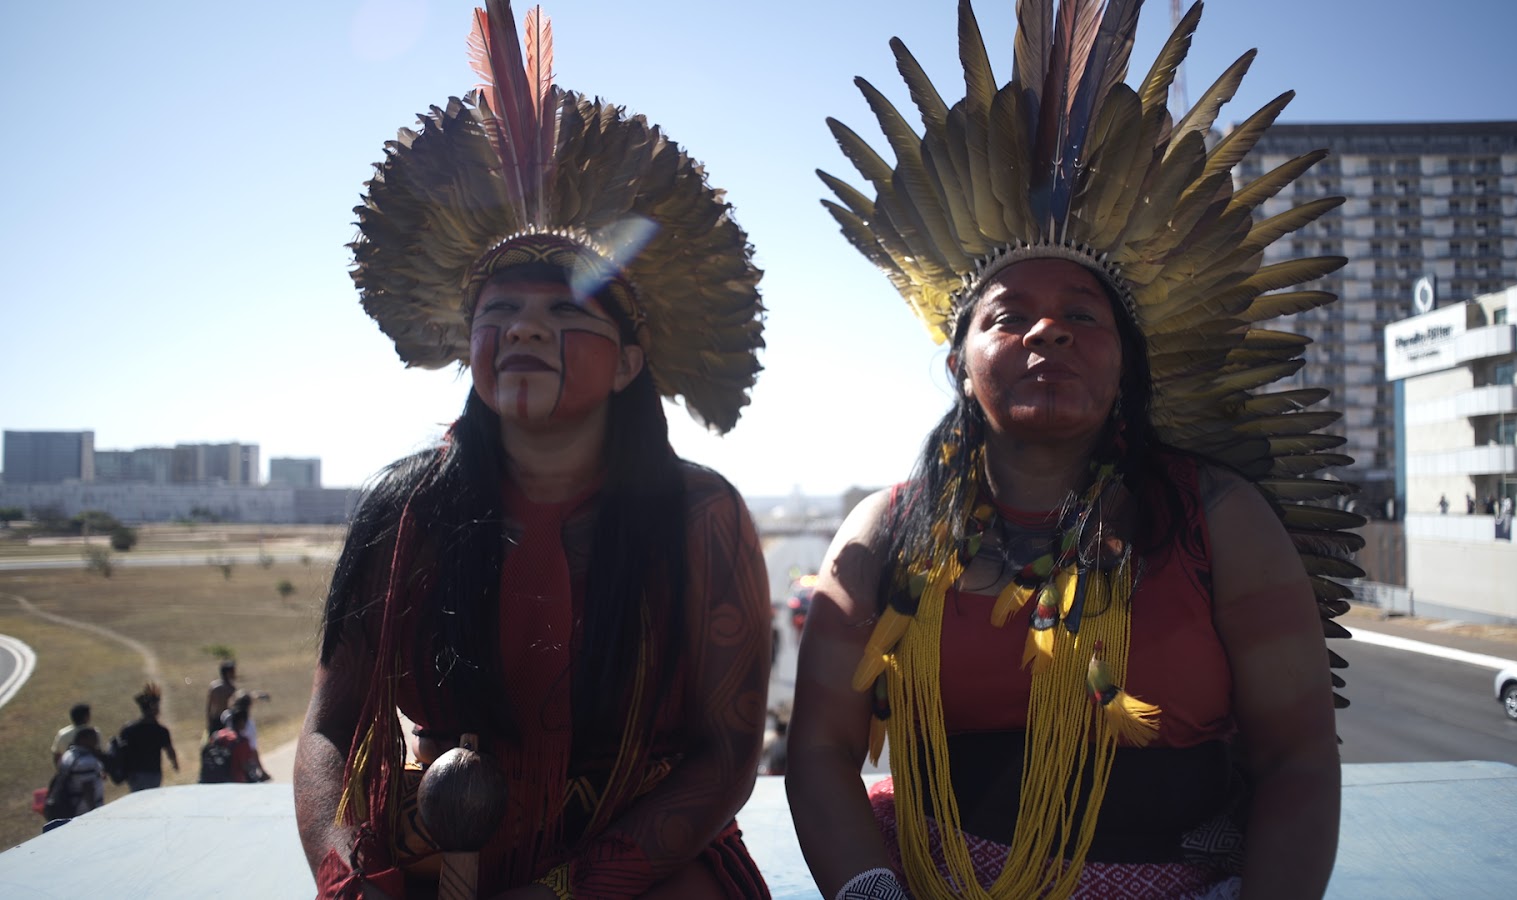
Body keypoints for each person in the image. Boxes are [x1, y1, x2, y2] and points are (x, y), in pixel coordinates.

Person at [788, 3, 1353, 898]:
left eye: (1083, 316)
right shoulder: (883, 531)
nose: (1048, 333)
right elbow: (819, 752)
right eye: (1008, 316)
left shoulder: (1218, 517)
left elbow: (1296, 758)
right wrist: (871, 891)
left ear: (1128, 363)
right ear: (957, 358)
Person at [293, 3, 770, 898]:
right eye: (499, 314)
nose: (522, 332)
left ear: (631, 362)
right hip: (436, 846)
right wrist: (347, 871)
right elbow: (332, 724)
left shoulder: (703, 516)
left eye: (563, 315)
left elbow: (725, 757)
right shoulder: (405, 512)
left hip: (648, 866)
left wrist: (569, 891)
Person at [118, 683, 179, 791]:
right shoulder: (160, 730)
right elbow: (169, 750)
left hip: (134, 775)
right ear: (153, 708)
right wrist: (174, 763)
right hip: (152, 774)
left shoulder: (128, 729)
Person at [51, 728, 106, 819]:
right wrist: (95, 812)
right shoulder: (86, 761)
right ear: (83, 739)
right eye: (94, 739)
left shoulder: (67, 755)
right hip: (84, 811)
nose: (96, 742)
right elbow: (87, 788)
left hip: (71, 807)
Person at [208, 659, 270, 737]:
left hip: (214, 722)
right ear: (228, 673)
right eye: (233, 672)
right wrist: (258, 695)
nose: (235, 674)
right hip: (226, 722)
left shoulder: (213, 687)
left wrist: (209, 723)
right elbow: (241, 700)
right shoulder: (230, 689)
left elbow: (209, 708)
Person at [51, 703, 99, 767]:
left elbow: (57, 756)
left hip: (70, 772)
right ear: (86, 717)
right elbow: (99, 754)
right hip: (91, 771)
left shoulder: (62, 734)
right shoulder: (94, 733)